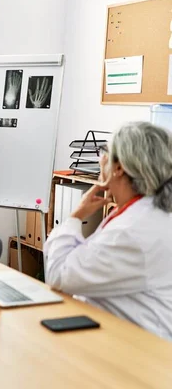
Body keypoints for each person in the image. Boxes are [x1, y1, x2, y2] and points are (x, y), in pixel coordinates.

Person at [44, 122, 172, 341]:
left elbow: (58, 275)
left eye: (104, 151)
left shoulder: (131, 231)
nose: (100, 158)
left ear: (119, 167)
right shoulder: (145, 211)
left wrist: (75, 217)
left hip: (143, 349)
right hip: (116, 329)